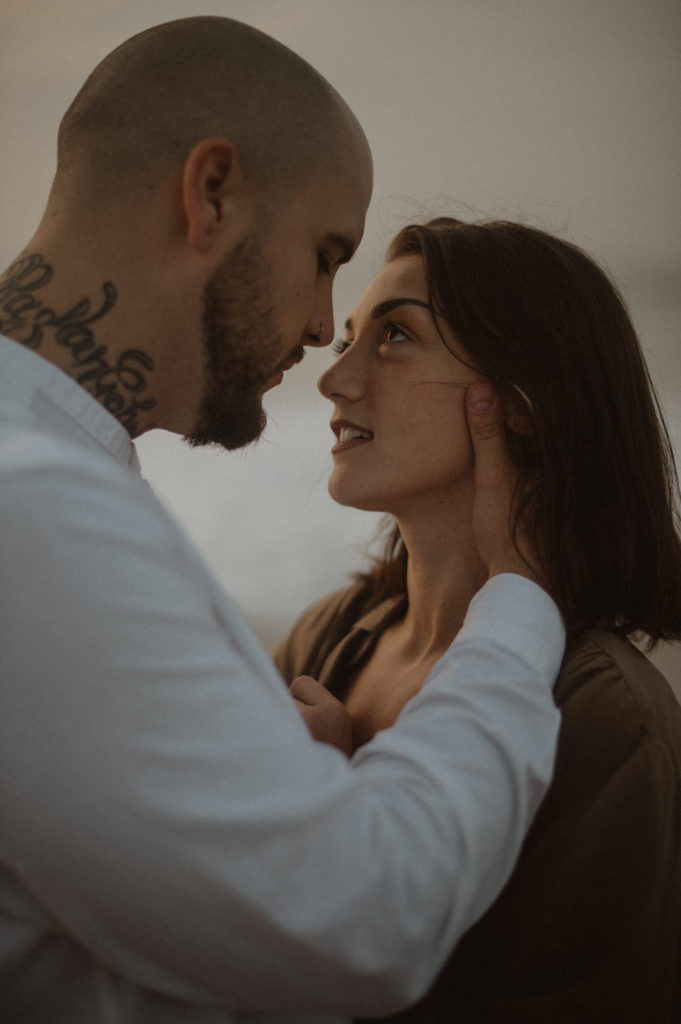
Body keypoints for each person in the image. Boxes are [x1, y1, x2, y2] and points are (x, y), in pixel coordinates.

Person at [0, 17, 567, 1024]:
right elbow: (368, 915)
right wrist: (520, 607)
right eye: (324, 255)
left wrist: (273, 764)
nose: (318, 331)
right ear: (210, 193)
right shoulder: (34, 506)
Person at [275, 216, 681, 1022]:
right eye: (348, 337)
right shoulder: (330, 638)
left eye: (393, 337)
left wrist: (320, 805)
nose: (334, 378)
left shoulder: (605, 718)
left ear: (520, 403)